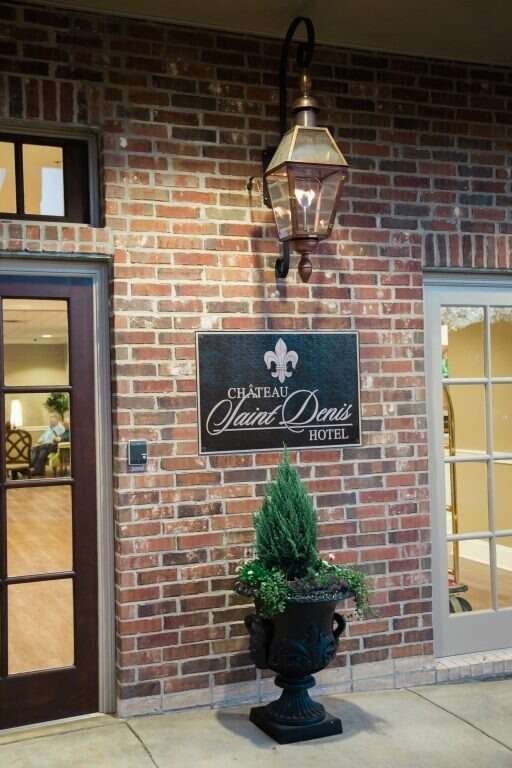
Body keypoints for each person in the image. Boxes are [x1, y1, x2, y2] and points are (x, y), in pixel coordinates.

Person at [31, 412, 65, 477]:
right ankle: (38, 471)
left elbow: (58, 439)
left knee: (36, 448)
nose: (50, 421)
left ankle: (32, 467)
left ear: (57, 420)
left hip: (53, 446)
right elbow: (42, 437)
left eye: (52, 420)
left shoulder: (60, 428)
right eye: (50, 420)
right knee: (41, 453)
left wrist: (39, 445)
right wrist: (39, 442)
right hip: (45, 447)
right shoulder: (49, 428)